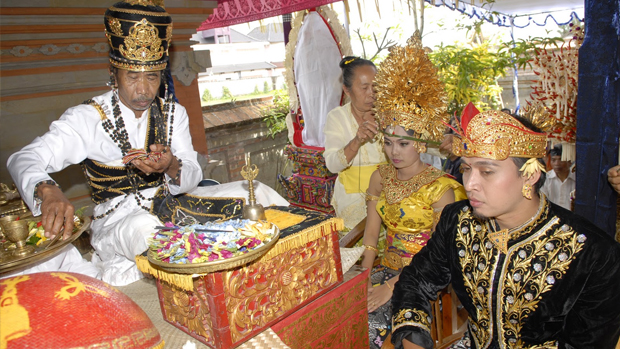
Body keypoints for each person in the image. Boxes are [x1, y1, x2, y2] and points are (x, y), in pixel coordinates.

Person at [391, 104, 620, 349]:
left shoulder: (593, 252)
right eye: (466, 169)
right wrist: (413, 338)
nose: (469, 184)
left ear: (530, 175)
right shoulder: (458, 221)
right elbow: (415, 280)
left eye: (487, 171)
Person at [6, 1, 202, 286]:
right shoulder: (88, 118)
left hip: (172, 206)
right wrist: (46, 190)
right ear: (114, 74)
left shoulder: (173, 113)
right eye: (133, 77)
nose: (144, 89)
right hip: (116, 221)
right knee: (144, 229)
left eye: (152, 77)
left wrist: (172, 165)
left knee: (249, 195)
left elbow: (193, 173)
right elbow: (21, 159)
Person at [359, 34, 467, 349]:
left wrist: (394, 285)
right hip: (385, 269)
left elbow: (439, 255)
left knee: (384, 328)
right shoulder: (380, 177)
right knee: (349, 313)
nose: (394, 152)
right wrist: (364, 276)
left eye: (404, 143)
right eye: (388, 142)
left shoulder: (441, 188)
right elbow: (371, 233)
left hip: (425, 280)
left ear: (420, 143)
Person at [323, 56, 386, 230]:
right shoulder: (337, 117)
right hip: (353, 201)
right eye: (364, 87)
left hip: (389, 198)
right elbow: (332, 165)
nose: (371, 93)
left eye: (375, 86)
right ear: (347, 90)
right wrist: (357, 141)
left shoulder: (389, 114)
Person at [540, 145, 575, 210]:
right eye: (553, 160)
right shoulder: (546, 178)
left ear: (569, 162)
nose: (556, 163)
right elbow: (543, 201)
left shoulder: (576, 179)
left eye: (560, 160)